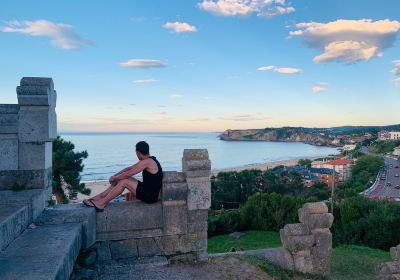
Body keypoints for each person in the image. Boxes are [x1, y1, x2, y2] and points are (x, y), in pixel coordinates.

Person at [83, 141, 163, 211]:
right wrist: (115, 176)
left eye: (136, 153)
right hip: (147, 190)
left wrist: (114, 178)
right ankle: (100, 197)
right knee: (122, 178)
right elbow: (128, 169)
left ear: (138, 152)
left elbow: (128, 174)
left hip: (150, 196)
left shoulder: (146, 162)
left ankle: (101, 204)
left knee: (124, 180)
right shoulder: (148, 160)